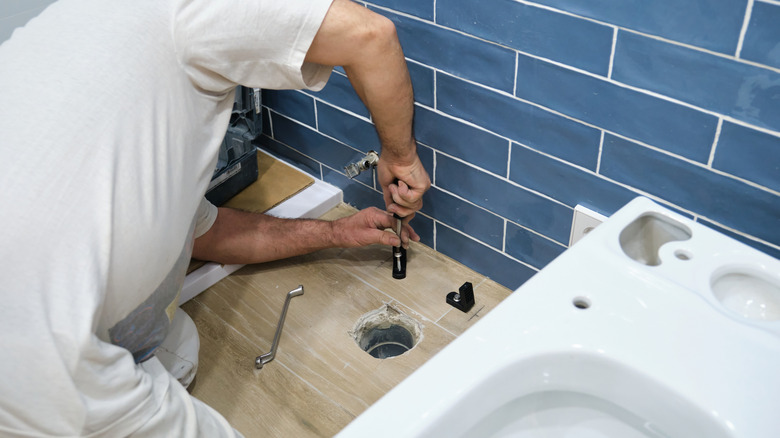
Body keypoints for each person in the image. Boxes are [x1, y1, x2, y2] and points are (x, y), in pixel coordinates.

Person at [0, 0, 430, 436]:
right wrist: (401, 155)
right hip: (37, 363)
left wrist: (337, 231)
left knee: (178, 345)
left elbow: (207, 232)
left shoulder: (105, 72)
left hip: (41, 330)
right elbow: (369, 36)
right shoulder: (180, 12)